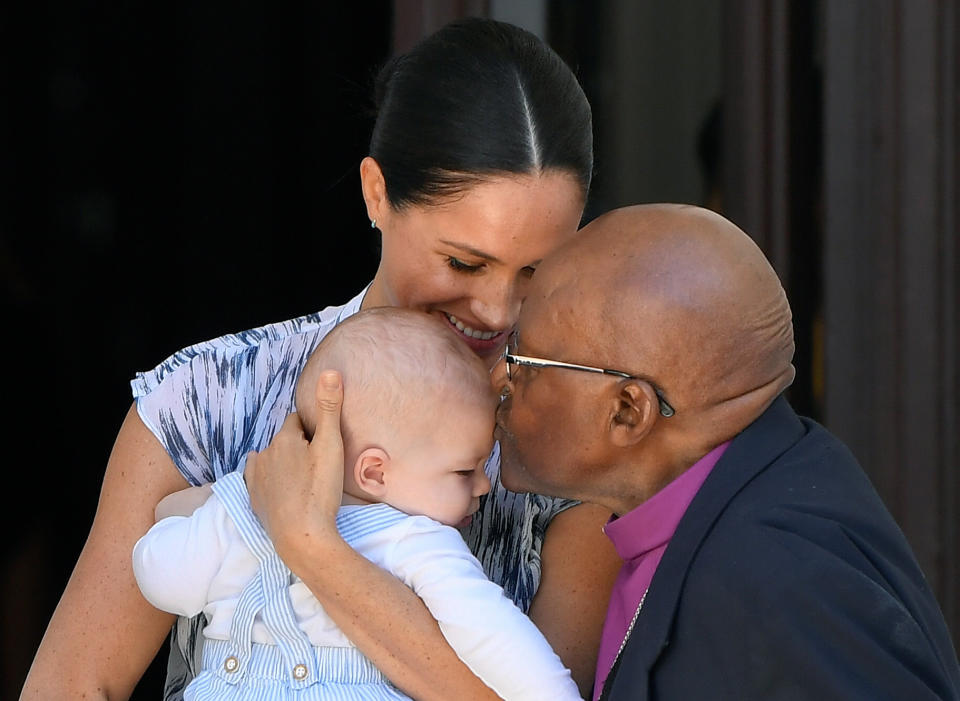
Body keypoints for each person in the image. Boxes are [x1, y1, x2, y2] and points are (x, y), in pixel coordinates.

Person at [22, 18, 620, 701]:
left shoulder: (576, 438)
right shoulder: (208, 397)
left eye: (536, 272)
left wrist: (313, 547)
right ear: (376, 193)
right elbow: (73, 684)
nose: (497, 310)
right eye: (463, 261)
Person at [488, 203, 960, 699]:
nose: (502, 377)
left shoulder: (777, 586)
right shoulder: (752, 490)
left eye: (524, 360)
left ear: (628, 411)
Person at [133, 308, 581, 700]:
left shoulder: (245, 510)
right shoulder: (417, 541)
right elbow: (498, 643)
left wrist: (224, 502)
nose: (484, 485)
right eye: (465, 471)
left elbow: (160, 578)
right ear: (374, 472)